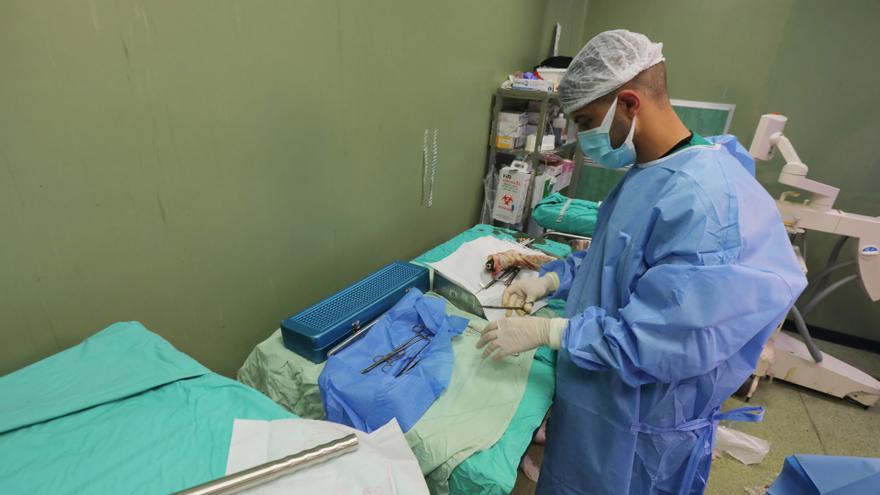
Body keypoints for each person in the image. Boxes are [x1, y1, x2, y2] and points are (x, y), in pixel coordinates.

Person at [476, 30, 807, 495]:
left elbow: (663, 339)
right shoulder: (651, 171)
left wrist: (548, 331)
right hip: (601, 406)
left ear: (629, 103)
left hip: (641, 431)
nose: (583, 138)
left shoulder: (703, 203)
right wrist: (551, 279)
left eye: (588, 121)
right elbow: (617, 263)